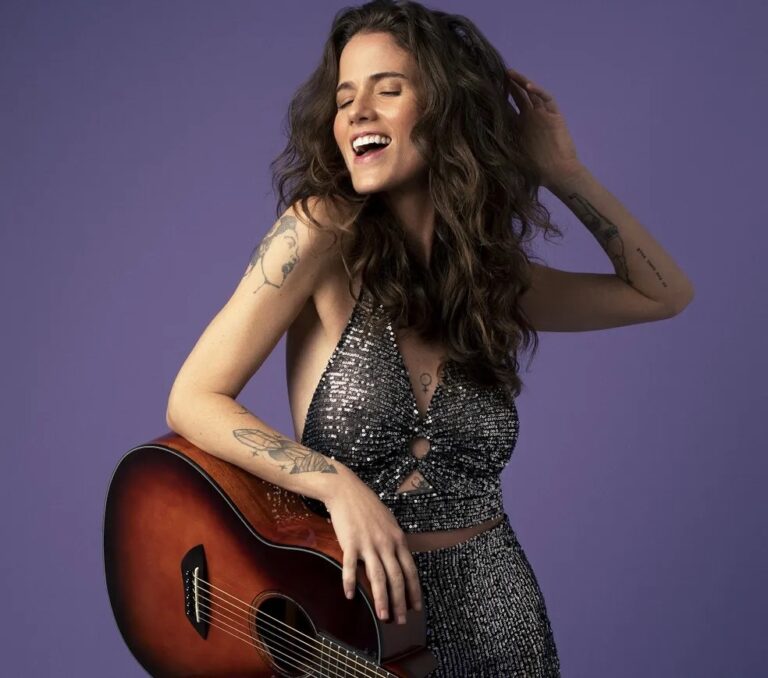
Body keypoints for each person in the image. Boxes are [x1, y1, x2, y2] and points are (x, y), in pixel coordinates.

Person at [165, 1, 695, 675]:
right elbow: (193, 397)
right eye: (344, 99)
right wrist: (337, 485)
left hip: (501, 618)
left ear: (447, 109)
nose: (357, 112)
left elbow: (663, 294)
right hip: (357, 624)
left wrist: (565, 172)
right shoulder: (319, 234)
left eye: (387, 90)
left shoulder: (493, 282)